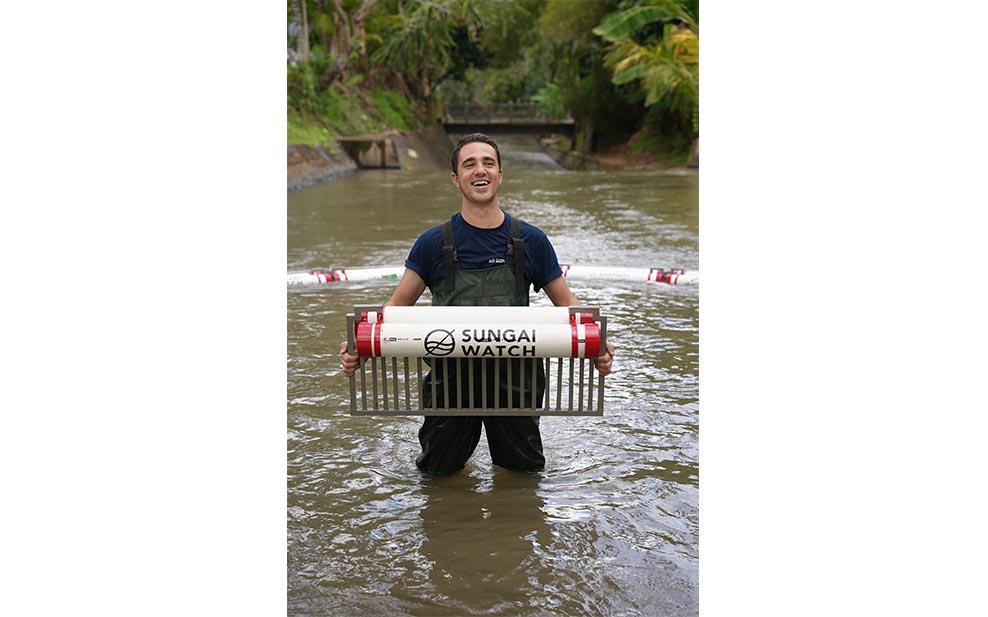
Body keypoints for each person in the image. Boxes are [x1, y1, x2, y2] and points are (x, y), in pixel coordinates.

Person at [340, 133, 614, 475]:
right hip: (449, 383)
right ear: (456, 178)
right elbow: (397, 306)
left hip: (516, 382)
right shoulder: (431, 244)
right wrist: (360, 345)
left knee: (523, 480)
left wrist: (597, 346)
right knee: (437, 477)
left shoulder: (531, 241)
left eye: (488, 163)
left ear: (500, 174)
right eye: (469, 164)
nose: (479, 170)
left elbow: (567, 304)